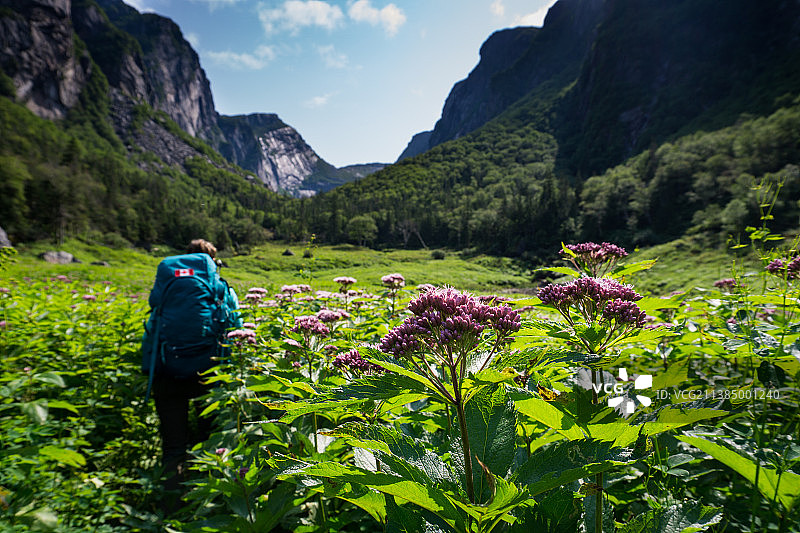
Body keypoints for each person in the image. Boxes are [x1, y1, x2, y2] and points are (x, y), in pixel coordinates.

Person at [142, 239, 240, 504]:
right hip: (208, 373)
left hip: (167, 372)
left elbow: (153, 320)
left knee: (173, 445)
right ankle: (207, 502)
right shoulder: (220, 289)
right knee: (209, 440)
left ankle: (171, 503)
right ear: (213, 262)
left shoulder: (168, 282)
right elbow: (236, 326)